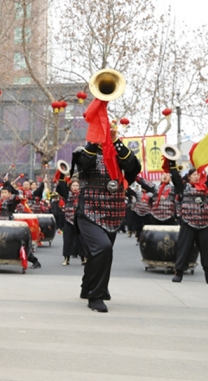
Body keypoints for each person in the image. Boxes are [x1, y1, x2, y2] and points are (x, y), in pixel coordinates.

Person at [73, 125, 141, 313]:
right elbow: (84, 163)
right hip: (89, 212)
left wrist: (116, 141)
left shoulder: (119, 154)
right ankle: (97, 295)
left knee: (99, 254)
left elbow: (133, 167)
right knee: (103, 248)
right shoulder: (84, 152)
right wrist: (96, 140)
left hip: (113, 212)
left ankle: (87, 287)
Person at [169, 164, 208, 284]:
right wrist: (172, 165)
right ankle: (179, 272)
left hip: (204, 223)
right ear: (189, 177)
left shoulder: (206, 187)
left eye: (198, 174)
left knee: (207, 250)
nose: (197, 176)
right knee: (184, 248)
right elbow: (175, 178)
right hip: (188, 222)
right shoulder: (184, 187)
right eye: (194, 174)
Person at [56, 176, 85, 266]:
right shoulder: (67, 194)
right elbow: (60, 187)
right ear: (70, 186)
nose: (75, 187)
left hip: (80, 220)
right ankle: (66, 258)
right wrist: (61, 176)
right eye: (73, 185)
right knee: (67, 239)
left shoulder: (82, 195)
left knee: (81, 240)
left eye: (77, 185)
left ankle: (83, 258)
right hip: (68, 219)